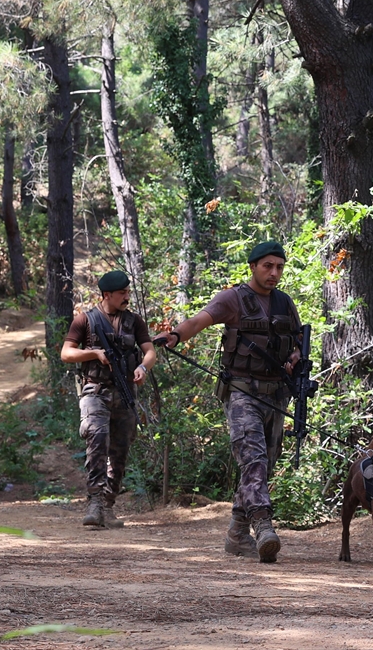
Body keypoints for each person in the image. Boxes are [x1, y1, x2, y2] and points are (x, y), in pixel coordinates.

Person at [153, 241, 302, 563]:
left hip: (276, 395)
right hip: (241, 392)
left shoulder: (284, 302)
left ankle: (237, 534)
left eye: (279, 267)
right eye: (268, 266)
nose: (274, 273)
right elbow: (198, 321)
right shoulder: (232, 299)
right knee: (253, 460)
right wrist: (175, 335)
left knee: (264, 466)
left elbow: (298, 341)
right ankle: (264, 527)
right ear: (253, 266)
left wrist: (295, 357)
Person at [60, 271, 156, 529]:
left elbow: (149, 351)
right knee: (97, 438)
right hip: (95, 391)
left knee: (120, 450)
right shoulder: (85, 320)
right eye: (122, 293)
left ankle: (108, 505)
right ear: (107, 295)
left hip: (124, 393)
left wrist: (143, 368)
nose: (127, 297)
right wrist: (93, 353)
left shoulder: (134, 321)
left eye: (128, 292)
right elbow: (66, 353)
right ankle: (94, 502)